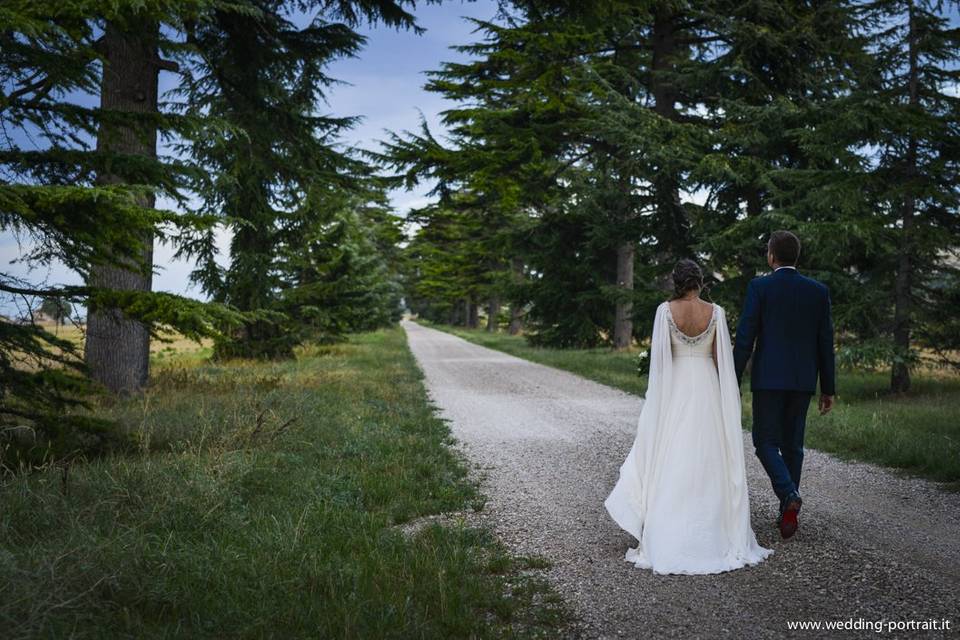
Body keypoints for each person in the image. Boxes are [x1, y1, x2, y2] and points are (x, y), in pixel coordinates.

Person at [605, 259, 772, 574]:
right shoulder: (716, 312)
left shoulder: (665, 311)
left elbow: (661, 360)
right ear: (700, 282)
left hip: (678, 386)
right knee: (710, 455)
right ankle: (714, 530)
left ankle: (668, 528)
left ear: (677, 282)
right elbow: (721, 360)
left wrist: (658, 400)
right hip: (707, 386)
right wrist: (729, 399)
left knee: (674, 454)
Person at [734, 230, 836, 539]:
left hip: (768, 380)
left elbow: (745, 337)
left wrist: (731, 378)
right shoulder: (818, 291)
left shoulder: (760, 287)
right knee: (793, 444)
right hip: (803, 381)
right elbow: (825, 341)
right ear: (797, 257)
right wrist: (828, 387)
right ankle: (786, 511)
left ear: (771, 256)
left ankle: (789, 494)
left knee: (764, 442)